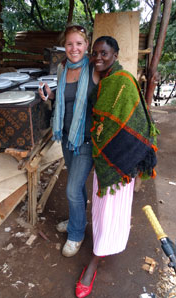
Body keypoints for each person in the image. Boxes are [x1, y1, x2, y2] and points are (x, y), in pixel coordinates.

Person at [75, 36, 159, 298]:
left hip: (121, 162)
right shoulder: (100, 78)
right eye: (95, 53)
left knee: (112, 208)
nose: (99, 57)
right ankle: (106, 244)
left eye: (105, 53)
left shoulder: (123, 81)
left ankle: (93, 264)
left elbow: (136, 120)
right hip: (106, 157)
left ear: (116, 54)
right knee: (103, 209)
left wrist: (128, 156)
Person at [39, 24, 96, 257]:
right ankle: (77, 220)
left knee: (72, 189)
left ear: (87, 45)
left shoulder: (94, 68)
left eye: (79, 43)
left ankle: (76, 235)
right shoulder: (63, 67)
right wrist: (51, 95)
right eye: (70, 43)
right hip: (68, 137)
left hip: (86, 139)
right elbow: (66, 98)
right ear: (65, 46)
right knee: (77, 186)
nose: (74, 48)